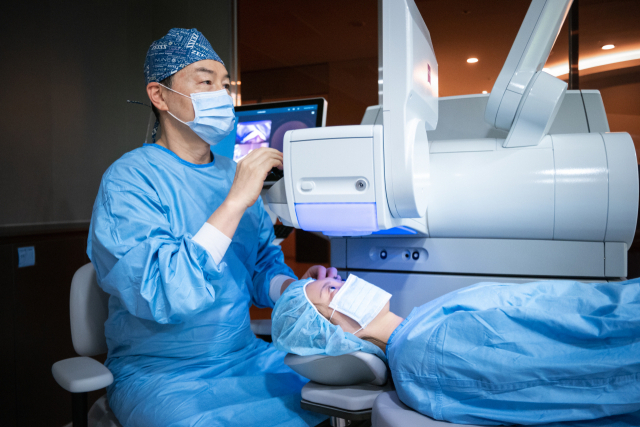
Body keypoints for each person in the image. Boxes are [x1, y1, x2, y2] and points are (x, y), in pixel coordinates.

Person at [88, 28, 335, 427]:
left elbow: (260, 266)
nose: (221, 95)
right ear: (159, 95)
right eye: (205, 82)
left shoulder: (232, 175)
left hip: (245, 356)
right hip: (161, 375)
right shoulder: (130, 180)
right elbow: (165, 294)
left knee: (334, 402)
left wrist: (297, 290)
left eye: (224, 85)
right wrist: (233, 202)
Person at [272, 275, 640, 426]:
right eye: (333, 289)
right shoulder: (428, 352)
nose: (346, 281)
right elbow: (585, 365)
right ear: (333, 330)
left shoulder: (421, 329)